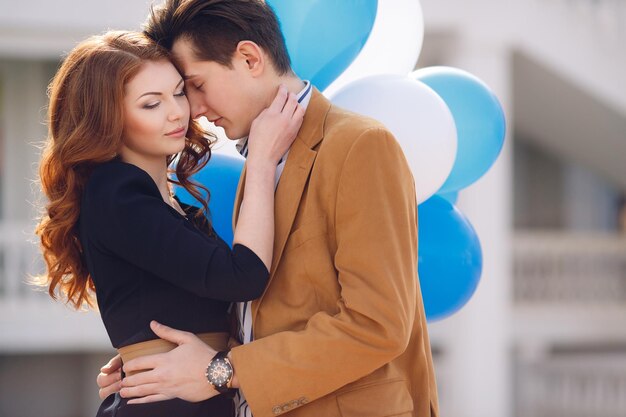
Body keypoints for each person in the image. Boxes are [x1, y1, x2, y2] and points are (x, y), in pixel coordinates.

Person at [97, 1, 440, 416]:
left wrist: (221, 371)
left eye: (196, 85)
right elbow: (259, 315)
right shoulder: (260, 161)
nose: (195, 111)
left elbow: (376, 325)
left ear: (249, 58)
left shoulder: (358, 145)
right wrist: (152, 360)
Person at [36, 30, 303, 417]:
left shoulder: (166, 201)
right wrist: (261, 161)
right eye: (150, 104)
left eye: (179, 92)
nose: (177, 112)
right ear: (107, 120)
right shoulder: (118, 194)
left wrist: (143, 352)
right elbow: (243, 278)